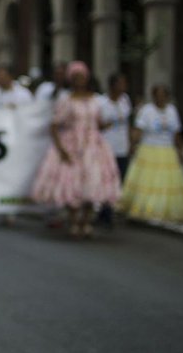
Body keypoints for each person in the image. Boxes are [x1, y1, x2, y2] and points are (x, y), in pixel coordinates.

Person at [31, 60, 121, 238]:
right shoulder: (66, 101)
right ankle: (73, 220)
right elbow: (54, 125)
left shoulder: (95, 100)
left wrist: (107, 125)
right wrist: (61, 149)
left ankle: (86, 221)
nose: (80, 80)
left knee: (92, 182)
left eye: (82, 77)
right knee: (72, 183)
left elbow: (98, 122)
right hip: (72, 145)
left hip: (93, 146)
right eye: (76, 77)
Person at [117, 84, 183, 222]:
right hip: (149, 150)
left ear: (167, 97)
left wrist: (180, 151)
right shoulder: (146, 110)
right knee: (147, 181)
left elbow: (176, 133)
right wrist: (132, 145)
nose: (161, 98)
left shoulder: (172, 111)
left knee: (166, 182)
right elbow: (139, 130)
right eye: (158, 95)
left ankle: (164, 209)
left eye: (163, 95)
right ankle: (146, 208)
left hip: (167, 151)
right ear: (153, 96)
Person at [96, 72, 132, 227]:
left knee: (119, 180)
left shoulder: (125, 100)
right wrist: (105, 125)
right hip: (106, 147)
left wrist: (131, 143)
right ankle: (105, 211)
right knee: (105, 180)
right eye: (120, 83)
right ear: (112, 85)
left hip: (122, 147)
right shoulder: (101, 102)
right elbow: (95, 125)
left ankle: (107, 208)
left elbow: (128, 123)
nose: (124, 86)